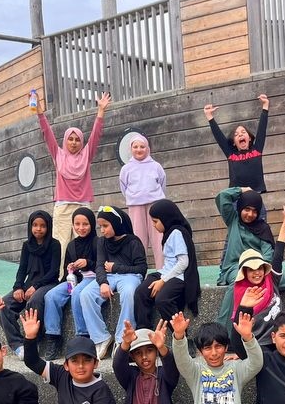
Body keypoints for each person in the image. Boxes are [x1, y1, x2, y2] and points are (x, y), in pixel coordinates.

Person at [37, 91, 110, 270]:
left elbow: (96, 135)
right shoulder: (58, 154)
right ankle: (59, 277)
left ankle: (85, 275)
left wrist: (101, 111)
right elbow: (47, 133)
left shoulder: (86, 155)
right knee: (60, 245)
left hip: (82, 206)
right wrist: (39, 112)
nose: (74, 142)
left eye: (77, 139)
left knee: (84, 245)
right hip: (63, 206)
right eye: (70, 139)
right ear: (65, 141)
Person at [214, 187, 285, 325]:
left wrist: (258, 269)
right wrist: (241, 190)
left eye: (254, 211)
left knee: (277, 280)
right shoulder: (233, 220)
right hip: (234, 267)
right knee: (239, 280)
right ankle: (222, 327)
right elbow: (222, 196)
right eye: (247, 209)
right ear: (240, 208)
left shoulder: (263, 228)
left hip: (257, 267)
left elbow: (268, 255)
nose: (250, 214)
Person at [80, 206, 146, 360]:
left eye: (105, 226)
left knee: (129, 293)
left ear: (116, 223)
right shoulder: (102, 242)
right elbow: (99, 265)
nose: (102, 230)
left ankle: (122, 339)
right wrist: (103, 282)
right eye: (100, 226)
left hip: (130, 276)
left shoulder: (133, 241)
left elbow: (142, 268)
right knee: (86, 294)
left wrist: (116, 267)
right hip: (108, 276)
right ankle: (101, 338)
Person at [229, 206, 285, 358]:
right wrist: (242, 351)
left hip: (281, 339)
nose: (257, 272)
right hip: (260, 344)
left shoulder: (271, 279)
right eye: (251, 269)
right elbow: (238, 328)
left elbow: (278, 255)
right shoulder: (242, 292)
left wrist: (284, 227)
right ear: (244, 272)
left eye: (259, 268)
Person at [0, 210, 61, 359]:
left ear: (48, 227)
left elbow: (54, 271)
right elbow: (22, 269)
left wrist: (36, 286)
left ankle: (34, 341)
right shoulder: (27, 246)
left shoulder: (54, 244)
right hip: (29, 284)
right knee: (4, 304)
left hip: (48, 283)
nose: (38, 229)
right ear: (30, 226)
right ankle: (18, 345)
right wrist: (18, 287)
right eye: (35, 225)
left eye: (43, 226)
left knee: (35, 300)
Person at [133, 199, 201, 330]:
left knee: (162, 300)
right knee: (141, 292)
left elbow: (183, 262)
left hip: (179, 276)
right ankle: (143, 331)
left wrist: (163, 281)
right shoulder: (169, 232)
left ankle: (181, 334)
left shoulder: (177, 233)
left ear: (166, 218)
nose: (153, 225)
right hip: (165, 272)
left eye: (155, 221)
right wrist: (162, 278)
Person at [42, 207, 98, 360]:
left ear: (92, 224)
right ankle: (53, 337)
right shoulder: (71, 245)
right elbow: (67, 271)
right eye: (77, 224)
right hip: (74, 280)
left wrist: (88, 263)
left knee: (77, 294)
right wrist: (70, 268)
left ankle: (83, 335)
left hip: (92, 279)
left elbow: (101, 266)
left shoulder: (97, 242)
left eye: (85, 224)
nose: (81, 228)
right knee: (51, 295)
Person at [204, 94, 270, 194]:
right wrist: (209, 116)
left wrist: (265, 105)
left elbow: (262, 129)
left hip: (256, 193)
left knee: (254, 203)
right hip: (236, 196)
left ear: (249, 138)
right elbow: (219, 136)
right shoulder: (231, 155)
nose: (240, 135)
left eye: (243, 132)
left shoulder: (256, 150)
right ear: (234, 143)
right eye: (236, 134)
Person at [119, 133, 167, 268]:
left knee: (158, 238)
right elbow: (123, 187)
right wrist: (135, 197)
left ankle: (162, 270)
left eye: (142, 146)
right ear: (131, 149)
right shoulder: (126, 169)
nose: (139, 150)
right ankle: (139, 270)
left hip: (155, 205)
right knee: (138, 238)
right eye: (135, 147)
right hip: (135, 207)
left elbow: (162, 183)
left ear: (147, 148)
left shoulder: (156, 166)